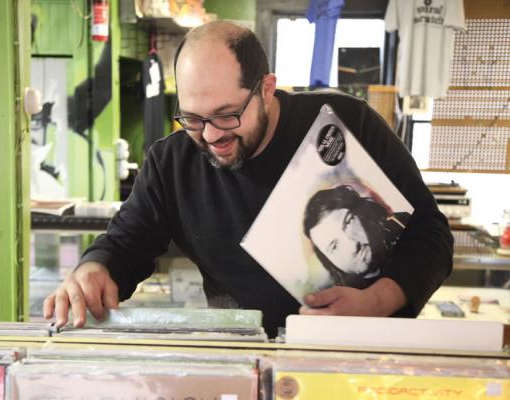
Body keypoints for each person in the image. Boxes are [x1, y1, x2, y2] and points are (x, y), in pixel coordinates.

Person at [43, 21, 453, 338]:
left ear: (267, 89)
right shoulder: (172, 162)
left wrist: (377, 301)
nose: (211, 135)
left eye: (226, 115)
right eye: (192, 118)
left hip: (360, 349)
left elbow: (430, 234)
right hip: (243, 352)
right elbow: (126, 244)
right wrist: (95, 268)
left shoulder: (346, 123)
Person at [303, 185, 410, 289]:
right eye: (334, 246)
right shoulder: (339, 302)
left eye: (348, 222)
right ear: (328, 260)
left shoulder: (403, 224)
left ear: (361, 214)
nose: (353, 245)